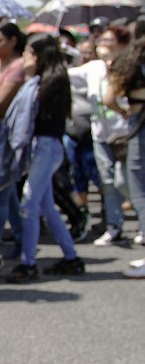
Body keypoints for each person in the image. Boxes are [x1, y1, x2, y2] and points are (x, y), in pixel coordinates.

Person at [3, 36, 86, 283]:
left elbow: (33, 117)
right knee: (47, 207)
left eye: (28, 53)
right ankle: (71, 257)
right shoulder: (40, 81)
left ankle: (28, 263)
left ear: (39, 56)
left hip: (46, 146)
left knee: (28, 205)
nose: (24, 59)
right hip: (43, 147)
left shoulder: (51, 82)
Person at [68, 25, 132, 246]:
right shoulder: (93, 68)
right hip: (100, 135)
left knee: (124, 181)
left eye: (108, 40)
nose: (102, 44)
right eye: (101, 40)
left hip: (125, 133)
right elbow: (66, 75)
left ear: (122, 44)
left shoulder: (129, 66)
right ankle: (114, 228)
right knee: (107, 183)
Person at [0, 22, 26, 257]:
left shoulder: (19, 67)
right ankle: (20, 239)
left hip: (7, 134)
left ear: (13, 41)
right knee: (6, 194)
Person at [106, 41, 145, 277]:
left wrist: (124, 111)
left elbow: (109, 98)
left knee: (139, 187)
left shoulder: (129, 60)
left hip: (139, 125)